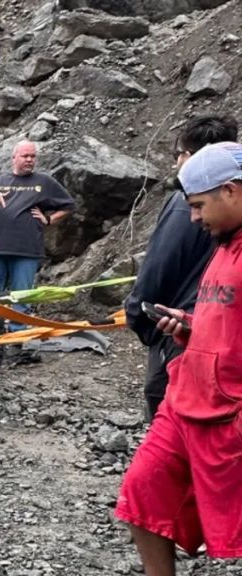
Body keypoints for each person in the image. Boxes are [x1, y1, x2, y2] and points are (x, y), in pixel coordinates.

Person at [114, 141, 242, 575]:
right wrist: (190, 327)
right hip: (186, 399)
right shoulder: (225, 243)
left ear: (231, 191)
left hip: (229, 414)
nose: (194, 218)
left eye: (199, 205)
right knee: (141, 493)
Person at [124, 116, 236, 422]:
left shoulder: (184, 203)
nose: (195, 215)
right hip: (206, 330)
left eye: (180, 154)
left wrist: (139, 316)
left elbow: (160, 265)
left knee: (170, 410)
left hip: (181, 332)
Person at [0, 140, 76, 326]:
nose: (29, 160)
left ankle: (17, 341)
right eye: (25, 156)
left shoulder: (44, 182)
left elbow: (68, 205)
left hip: (27, 251)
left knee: (22, 297)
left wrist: (49, 220)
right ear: (14, 158)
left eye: (33, 156)